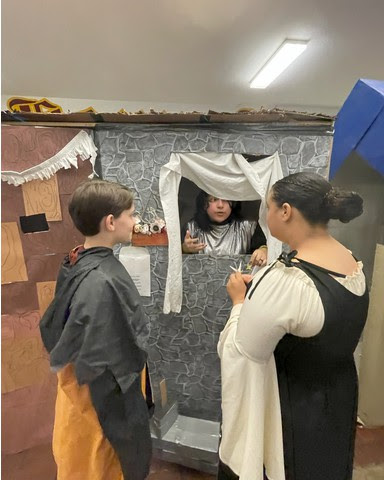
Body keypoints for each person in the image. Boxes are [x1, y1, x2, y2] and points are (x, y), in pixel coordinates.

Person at [217, 172, 369, 480]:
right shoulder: (350, 260)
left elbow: (243, 352)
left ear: (285, 211)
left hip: (295, 410)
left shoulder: (289, 280)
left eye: (268, 207)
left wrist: (239, 303)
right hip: (337, 397)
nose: (267, 215)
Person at [40, 180, 153, 480]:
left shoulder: (77, 258)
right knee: (100, 466)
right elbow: (108, 366)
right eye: (131, 213)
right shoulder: (101, 281)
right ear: (111, 221)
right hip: (97, 403)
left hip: (78, 393)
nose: (136, 220)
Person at [181, 189, 268, 266]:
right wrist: (184, 249)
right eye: (214, 199)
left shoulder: (248, 228)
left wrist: (263, 251)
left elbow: (263, 248)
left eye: (226, 200)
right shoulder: (191, 228)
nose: (220, 205)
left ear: (233, 203)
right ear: (204, 204)